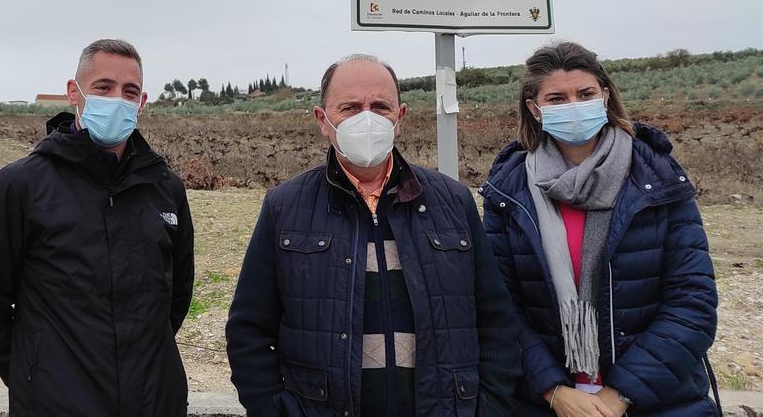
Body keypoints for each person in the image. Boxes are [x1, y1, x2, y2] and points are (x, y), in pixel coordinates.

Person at [226, 54, 520, 417]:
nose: (367, 118)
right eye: (350, 107)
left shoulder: (454, 202)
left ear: (400, 118)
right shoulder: (284, 207)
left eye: (380, 106)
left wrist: (486, 408)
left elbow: (496, 322)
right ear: (323, 120)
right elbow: (248, 331)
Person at [481, 41, 718, 416]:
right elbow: (500, 307)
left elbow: (693, 302)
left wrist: (619, 394)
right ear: (535, 109)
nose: (573, 105)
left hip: (660, 400)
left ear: (605, 97)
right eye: (557, 99)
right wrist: (553, 391)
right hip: (546, 404)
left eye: (585, 94)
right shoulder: (507, 191)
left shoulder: (658, 178)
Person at [0, 39, 195, 417]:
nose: (117, 99)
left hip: (155, 400)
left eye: (129, 91)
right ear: (75, 92)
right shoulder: (19, 186)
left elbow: (177, 295)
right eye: (104, 87)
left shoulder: (166, 189)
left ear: (142, 102)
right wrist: (35, 376)